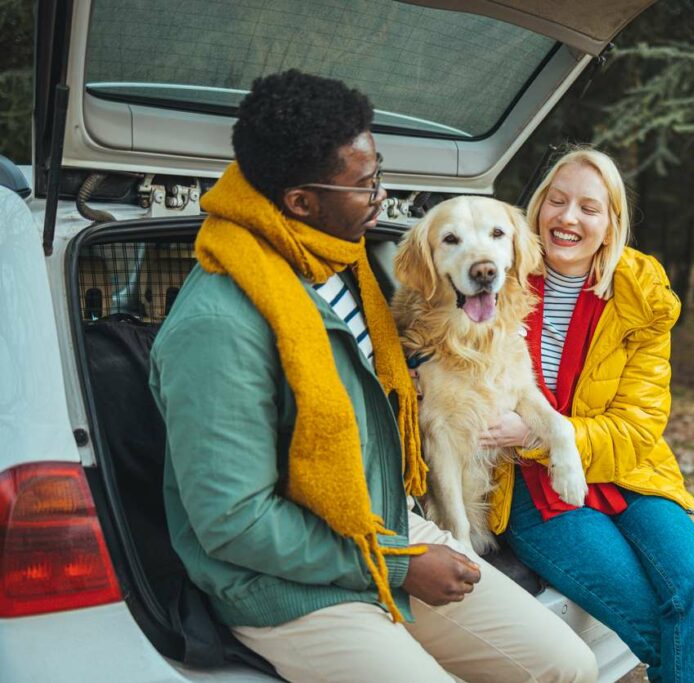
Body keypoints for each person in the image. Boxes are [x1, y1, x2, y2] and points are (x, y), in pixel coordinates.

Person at [149, 70, 597, 683]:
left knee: (567, 665)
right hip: (289, 588)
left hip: (382, 521)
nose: (380, 197)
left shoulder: (341, 263)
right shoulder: (216, 324)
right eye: (364, 185)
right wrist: (396, 567)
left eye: (377, 173)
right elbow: (235, 524)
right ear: (301, 202)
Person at [480, 148, 694, 682]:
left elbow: (638, 427)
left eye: (589, 208)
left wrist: (539, 434)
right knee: (661, 620)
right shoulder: (495, 275)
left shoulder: (642, 295)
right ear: (538, 207)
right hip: (530, 487)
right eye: (557, 200)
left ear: (611, 222)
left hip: (627, 470)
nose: (568, 218)